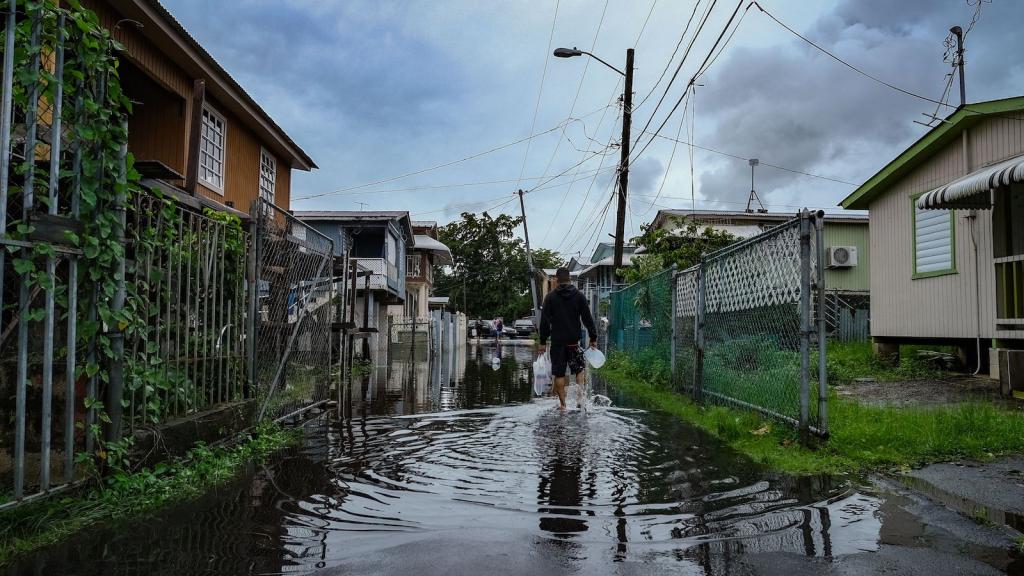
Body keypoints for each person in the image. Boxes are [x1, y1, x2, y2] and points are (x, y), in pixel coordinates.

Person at [538, 267, 598, 411]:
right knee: (579, 370)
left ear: (557, 280)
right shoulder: (579, 296)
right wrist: (593, 337)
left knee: (559, 373)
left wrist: (542, 341)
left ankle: (563, 405)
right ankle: (579, 400)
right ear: (570, 278)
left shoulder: (550, 297)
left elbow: (545, 322)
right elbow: (587, 318)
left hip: (558, 342)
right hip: (573, 341)